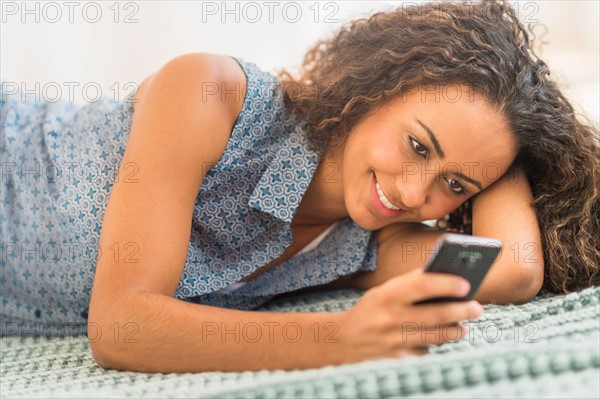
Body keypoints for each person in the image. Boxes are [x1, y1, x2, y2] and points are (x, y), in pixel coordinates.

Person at [1, 0, 598, 373]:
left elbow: (514, 270)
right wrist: (341, 336)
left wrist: (518, 133)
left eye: (454, 183)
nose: (415, 193)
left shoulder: (361, 246)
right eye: (418, 145)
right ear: (378, 83)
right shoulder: (212, 95)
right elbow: (121, 327)